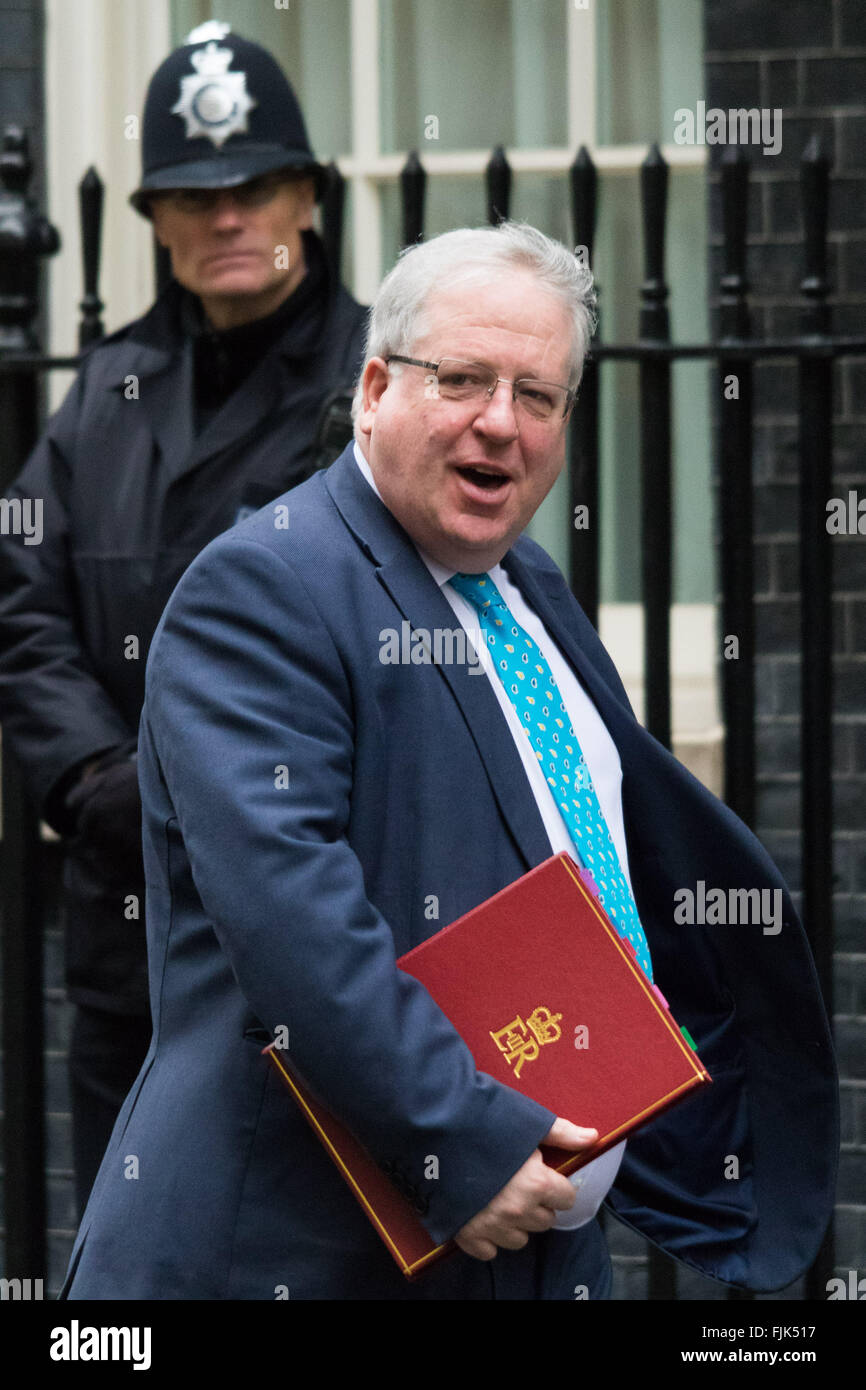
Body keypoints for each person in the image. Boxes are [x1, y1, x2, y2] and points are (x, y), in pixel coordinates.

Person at [59, 222, 836, 1301]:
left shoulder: (527, 590)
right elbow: (295, 922)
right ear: (375, 386)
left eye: (537, 395)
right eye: (461, 378)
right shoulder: (263, 589)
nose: (498, 422)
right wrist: (460, 1146)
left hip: (535, 1238)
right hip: (304, 1247)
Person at [0, 22, 367, 1219]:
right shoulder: (108, 386)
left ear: (306, 196)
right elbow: (24, 598)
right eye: (193, 194)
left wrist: (193, 785)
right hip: (128, 932)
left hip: (316, 923)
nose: (225, 218)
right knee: (133, 1257)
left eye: (253, 186)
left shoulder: (380, 379)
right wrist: (97, 780)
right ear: (155, 215)